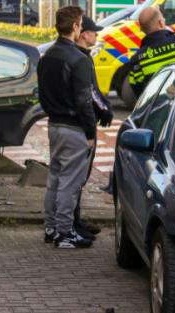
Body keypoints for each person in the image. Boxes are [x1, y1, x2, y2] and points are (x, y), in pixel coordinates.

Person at [38, 5, 96, 249]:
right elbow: (84, 100)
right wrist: (91, 132)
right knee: (70, 183)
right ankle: (64, 232)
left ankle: (51, 227)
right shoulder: (79, 59)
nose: (82, 27)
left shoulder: (47, 55)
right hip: (74, 128)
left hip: (54, 125)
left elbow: (41, 93)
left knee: (55, 178)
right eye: (80, 23)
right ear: (74, 26)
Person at [71, 16, 113, 240]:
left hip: (76, 123)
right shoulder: (81, 58)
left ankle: (75, 219)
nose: (96, 35)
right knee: (77, 176)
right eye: (93, 32)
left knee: (75, 177)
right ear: (83, 33)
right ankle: (72, 223)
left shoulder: (78, 56)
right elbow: (88, 93)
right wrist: (105, 109)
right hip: (81, 126)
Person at [128, 6, 175, 96]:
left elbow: (138, 90)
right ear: (160, 23)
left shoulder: (137, 60)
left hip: (157, 107)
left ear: (141, 29)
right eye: (163, 19)